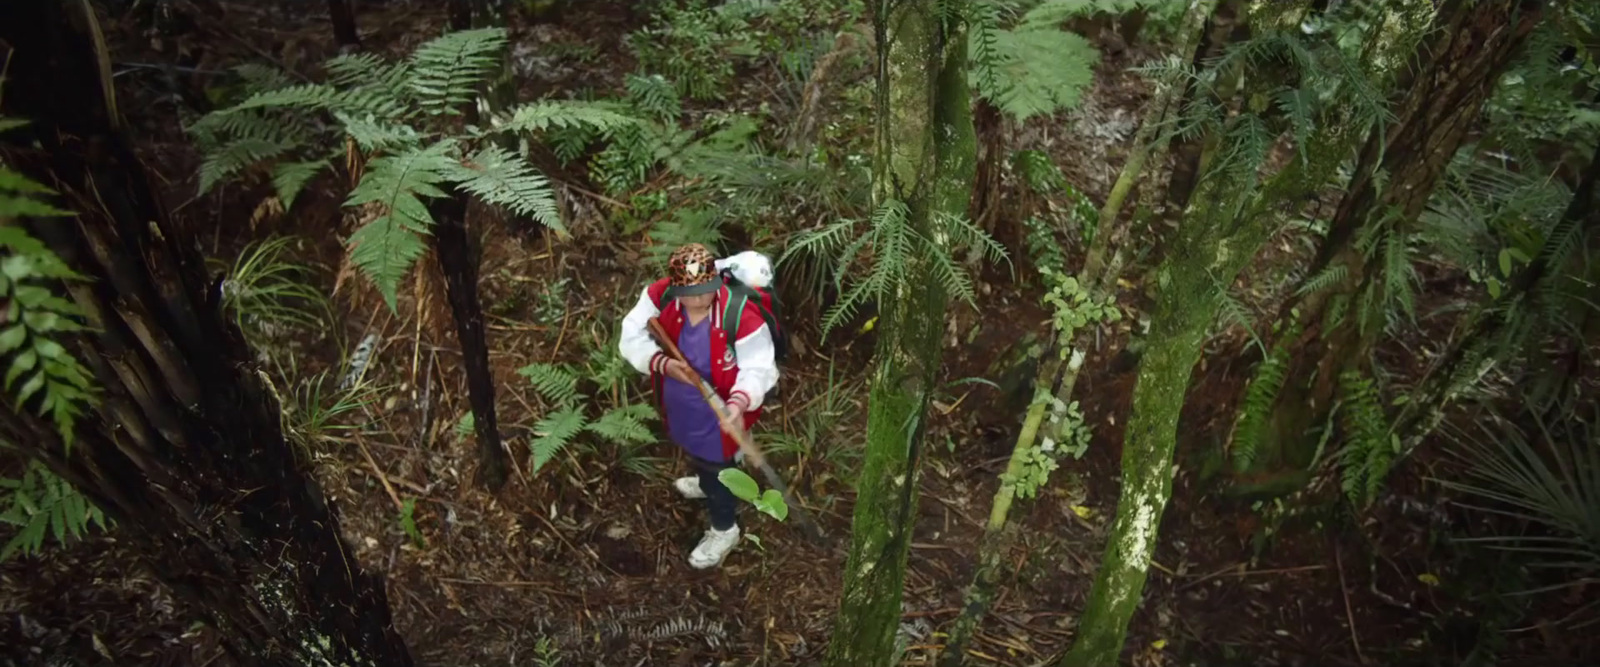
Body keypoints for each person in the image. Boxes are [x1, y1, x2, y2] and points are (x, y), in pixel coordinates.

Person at [618, 243, 779, 569]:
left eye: (705, 291)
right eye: (689, 293)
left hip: (722, 410)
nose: (698, 299)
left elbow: (759, 367)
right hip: (683, 405)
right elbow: (631, 333)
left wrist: (738, 402)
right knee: (697, 453)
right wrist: (660, 363)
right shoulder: (661, 296)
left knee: (718, 468)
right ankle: (706, 482)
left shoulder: (738, 315)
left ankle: (724, 527)